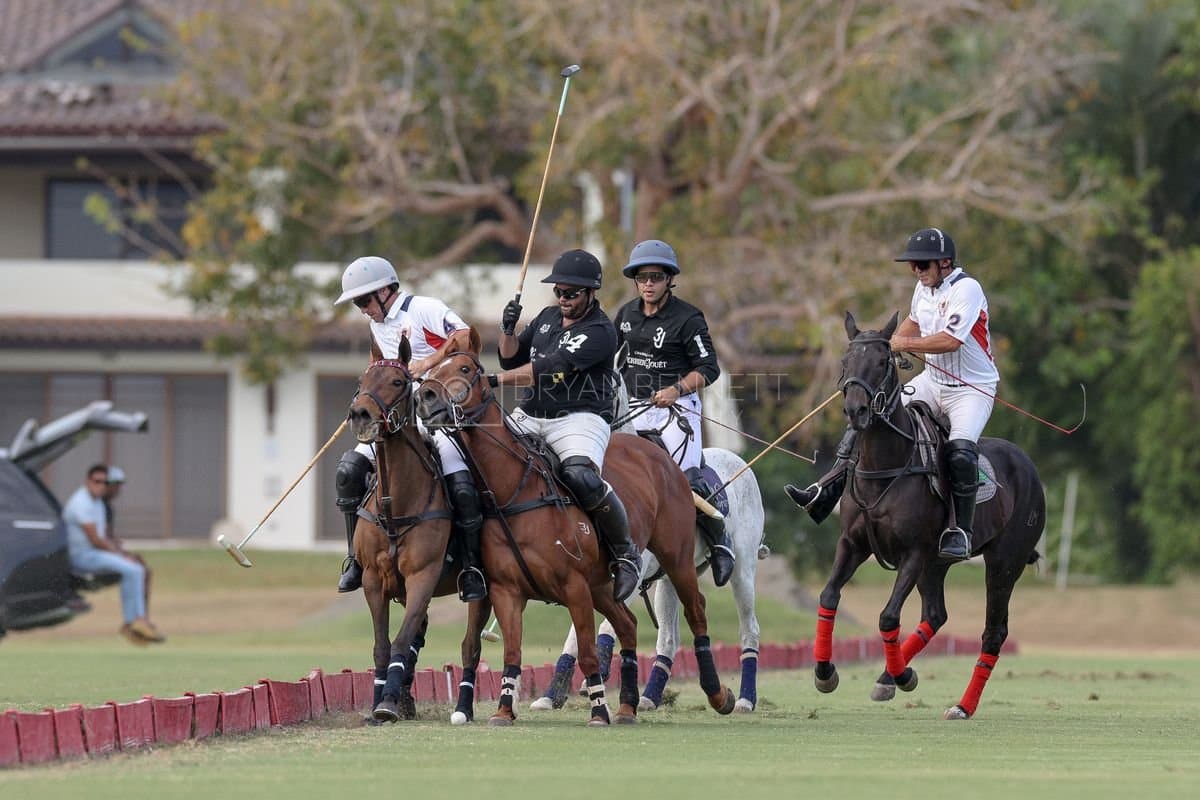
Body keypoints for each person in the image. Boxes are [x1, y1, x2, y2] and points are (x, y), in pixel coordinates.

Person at [785, 227, 997, 560]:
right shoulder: (923, 288)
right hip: (934, 381)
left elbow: (950, 340)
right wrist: (885, 345)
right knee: (873, 413)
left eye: (922, 265)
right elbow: (913, 322)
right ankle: (827, 489)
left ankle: (960, 531)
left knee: (959, 452)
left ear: (945, 262)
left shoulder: (967, 289)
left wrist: (904, 343)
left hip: (972, 389)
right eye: (913, 265)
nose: (916, 271)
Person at [333, 255, 486, 602]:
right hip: (397, 419)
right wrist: (366, 401)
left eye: (364, 300)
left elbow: (463, 336)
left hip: (438, 416)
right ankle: (355, 560)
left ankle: (473, 567)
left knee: (461, 486)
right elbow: (379, 365)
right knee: (348, 472)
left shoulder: (423, 308)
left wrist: (428, 364)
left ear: (386, 291)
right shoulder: (378, 324)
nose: (362, 309)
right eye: (357, 303)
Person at [495, 249, 640, 601]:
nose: (563, 299)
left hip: (580, 417)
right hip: (533, 413)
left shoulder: (601, 331)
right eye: (559, 291)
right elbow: (510, 355)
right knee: (487, 459)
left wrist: (492, 381)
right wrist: (508, 329)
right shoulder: (546, 318)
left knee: (580, 476)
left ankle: (625, 554)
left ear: (591, 293)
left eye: (571, 293)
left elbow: (548, 368)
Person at [612, 239, 735, 586]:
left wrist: (676, 390)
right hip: (631, 406)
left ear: (669, 279)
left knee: (683, 474)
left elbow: (709, 369)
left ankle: (719, 540)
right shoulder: (625, 315)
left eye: (655, 276)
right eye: (641, 277)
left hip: (677, 407)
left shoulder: (688, 318)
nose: (648, 283)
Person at [63, 464, 165, 645]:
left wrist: (121, 552)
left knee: (135, 569)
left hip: (94, 552)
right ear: (88, 481)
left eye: (106, 482)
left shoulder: (98, 502)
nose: (102, 485)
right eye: (97, 481)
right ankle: (136, 621)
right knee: (134, 570)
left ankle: (135, 622)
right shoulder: (81, 503)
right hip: (82, 556)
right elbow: (96, 540)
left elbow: (106, 536)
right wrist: (121, 555)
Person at [101, 465, 155, 621]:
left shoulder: (108, 507)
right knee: (138, 570)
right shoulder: (96, 505)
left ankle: (141, 616)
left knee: (143, 567)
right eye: (115, 484)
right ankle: (137, 618)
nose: (118, 489)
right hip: (97, 552)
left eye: (119, 484)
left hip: (108, 550)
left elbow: (108, 534)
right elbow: (99, 537)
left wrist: (117, 545)